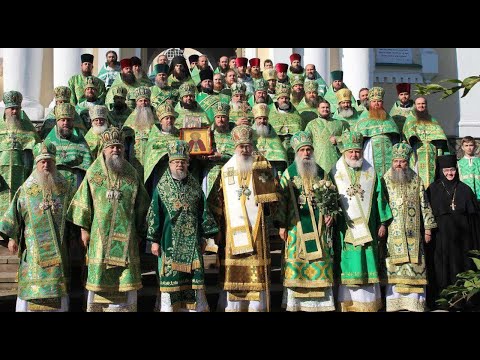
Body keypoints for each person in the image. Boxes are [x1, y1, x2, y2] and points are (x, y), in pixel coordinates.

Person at [67, 127, 150, 312]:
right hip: (99, 236)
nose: (116, 150)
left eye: (119, 147)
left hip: (127, 236)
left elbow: (143, 206)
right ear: (104, 149)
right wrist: (84, 229)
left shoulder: (131, 174)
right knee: (99, 281)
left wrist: (140, 231)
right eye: (112, 147)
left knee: (125, 284)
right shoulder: (93, 173)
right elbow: (82, 203)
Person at [0, 142, 76, 312]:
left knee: (57, 286)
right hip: (33, 248)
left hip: (59, 246)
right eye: (42, 161)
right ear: (36, 164)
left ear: (54, 162)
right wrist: (12, 237)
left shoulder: (65, 188)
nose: (46, 164)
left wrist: (78, 234)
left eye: (49, 161)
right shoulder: (26, 189)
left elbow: (75, 215)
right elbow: (15, 213)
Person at [146, 139, 218, 312]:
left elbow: (204, 212)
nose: (180, 165)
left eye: (183, 162)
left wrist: (206, 237)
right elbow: (154, 214)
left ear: (188, 164)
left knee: (194, 282)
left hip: (193, 243)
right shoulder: (162, 188)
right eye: (176, 162)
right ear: (170, 164)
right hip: (168, 240)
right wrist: (153, 241)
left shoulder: (195, 186)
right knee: (171, 282)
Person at [217, 125, 279, 312]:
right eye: (241, 146)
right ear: (235, 148)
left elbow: (271, 198)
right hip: (233, 230)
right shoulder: (226, 170)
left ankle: (256, 307)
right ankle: (234, 306)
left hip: (256, 228)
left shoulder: (260, 165)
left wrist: (263, 171)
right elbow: (219, 200)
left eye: (247, 146)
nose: (244, 150)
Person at [331, 130, 392, 312]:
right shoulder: (335, 173)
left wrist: (382, 222)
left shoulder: (371, 173)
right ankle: (348, 303)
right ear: (344, 152)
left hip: (369, 228)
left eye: (357, 151)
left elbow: (381, 199)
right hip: (345, 229)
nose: (354, 155)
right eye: (351, 151)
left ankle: (369, 302)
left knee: (368, 260)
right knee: (348, 261)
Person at [276, 131, 337, 312]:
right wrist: (280, 224)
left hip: (318, 228)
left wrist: (330, 214)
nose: (306, 153)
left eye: (309, 149)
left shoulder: (322, 173)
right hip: (295, 228)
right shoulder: (289, 174)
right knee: (297, 259)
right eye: (302, 150)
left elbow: (331, 196)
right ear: (296, 153)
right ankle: (296, 303)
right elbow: (282, 199)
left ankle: (321, 304)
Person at [383, 142, 437, 312]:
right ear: (392, 162)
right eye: (396, 161)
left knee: (416, 266)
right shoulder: (385, 179)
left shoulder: (416, 179)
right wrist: (382, 224)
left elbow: (424, 203)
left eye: (403, 162)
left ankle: (415, 303)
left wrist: (428, 227)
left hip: (414, 233)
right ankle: (395, 303)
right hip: (394, 231)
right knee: (394, 266)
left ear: (407, 162)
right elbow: (381, 205)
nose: (399, 165)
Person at [425, 154, 480, 308]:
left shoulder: (465, 189)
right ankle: (441, 302)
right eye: (447, 170)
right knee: (440, 269)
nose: (450, 173)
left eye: (453, 170)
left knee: (460, 268)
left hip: (463, 241)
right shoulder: (433, 189)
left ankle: (461, 302)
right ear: (441, 171)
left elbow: (474, 220)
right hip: (440, 240)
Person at [0, 90, 40, 217]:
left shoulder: (29, 132)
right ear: (6, 110)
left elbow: (37, 153)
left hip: (22, 177)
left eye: (17, 108)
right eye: (11, 108)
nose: (14, 111)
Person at [403, 96, 450, 188]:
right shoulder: (410, 119)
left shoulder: (432, 120)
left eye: (423, 104)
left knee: (432, 176)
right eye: (419, 104)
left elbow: (440, 135)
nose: (421, 106)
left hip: (431, 152)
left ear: (426, 105)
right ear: (415, 105)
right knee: (417, 176)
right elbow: (408, 133)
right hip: (417, 152)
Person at [44, 103, 93, 189]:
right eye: (63, 120)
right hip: (54, 185)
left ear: (73, 122)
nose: (65, 123)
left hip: (76, 185)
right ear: (57, 121)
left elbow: (88, 167)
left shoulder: (81, 143)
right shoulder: (48, 143)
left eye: (69, 120)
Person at [355, 87, 400, 177]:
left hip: (388, 149)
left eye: (379, 101)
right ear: (370, 102)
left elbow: (395, 136)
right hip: (370, 149)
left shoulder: (387, 117)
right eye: (374, 101)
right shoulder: (363, 117)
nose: (376, 104)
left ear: (382, 103)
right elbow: (358, 137)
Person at [123, 86, 158, 183]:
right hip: (135, 158)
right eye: (140, 101)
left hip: (152, 157)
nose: (143, 103)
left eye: (146, 100)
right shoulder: (130, 120)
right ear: (136, 103)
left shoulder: (156, 119)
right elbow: (125, 140)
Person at [143, 103, 180, 195]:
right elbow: (151, 154)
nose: (169, 121)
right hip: (161, 173)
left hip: (178, 173)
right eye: (166, 118)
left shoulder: (180, 135)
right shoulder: (155, 138)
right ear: (161, 121)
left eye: (171, 118)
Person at [305, 100, 349, 174]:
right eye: (323, 107)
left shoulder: (339, 123)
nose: (325, 109)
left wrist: (338, 139)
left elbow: (348, 138)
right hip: (317, 159)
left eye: (327, 107)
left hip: (335, 159)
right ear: (318, 109)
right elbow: (306, 141)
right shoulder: (311, 124)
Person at [268, 83, 304, 164]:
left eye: (286, 98)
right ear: (277, 100)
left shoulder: (297, 116)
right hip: (277, 151)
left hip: (293, 151)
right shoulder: (271, 116)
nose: (284, 100)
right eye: (281, 98)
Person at [252, 103, 288, 179]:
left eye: (265, 118)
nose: (262, 121)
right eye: (259, 118)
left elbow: (281, 157)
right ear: (255, 119)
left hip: (271, 172)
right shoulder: (251, 134)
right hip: (254, 170)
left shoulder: (273, 135)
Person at [458, 136, 480, 202]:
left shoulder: (478, 161)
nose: (469, 148)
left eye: (471, 145)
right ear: (462, 147)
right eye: (466, 145)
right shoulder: (459, 163)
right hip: (465, 196)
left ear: (475, 147)